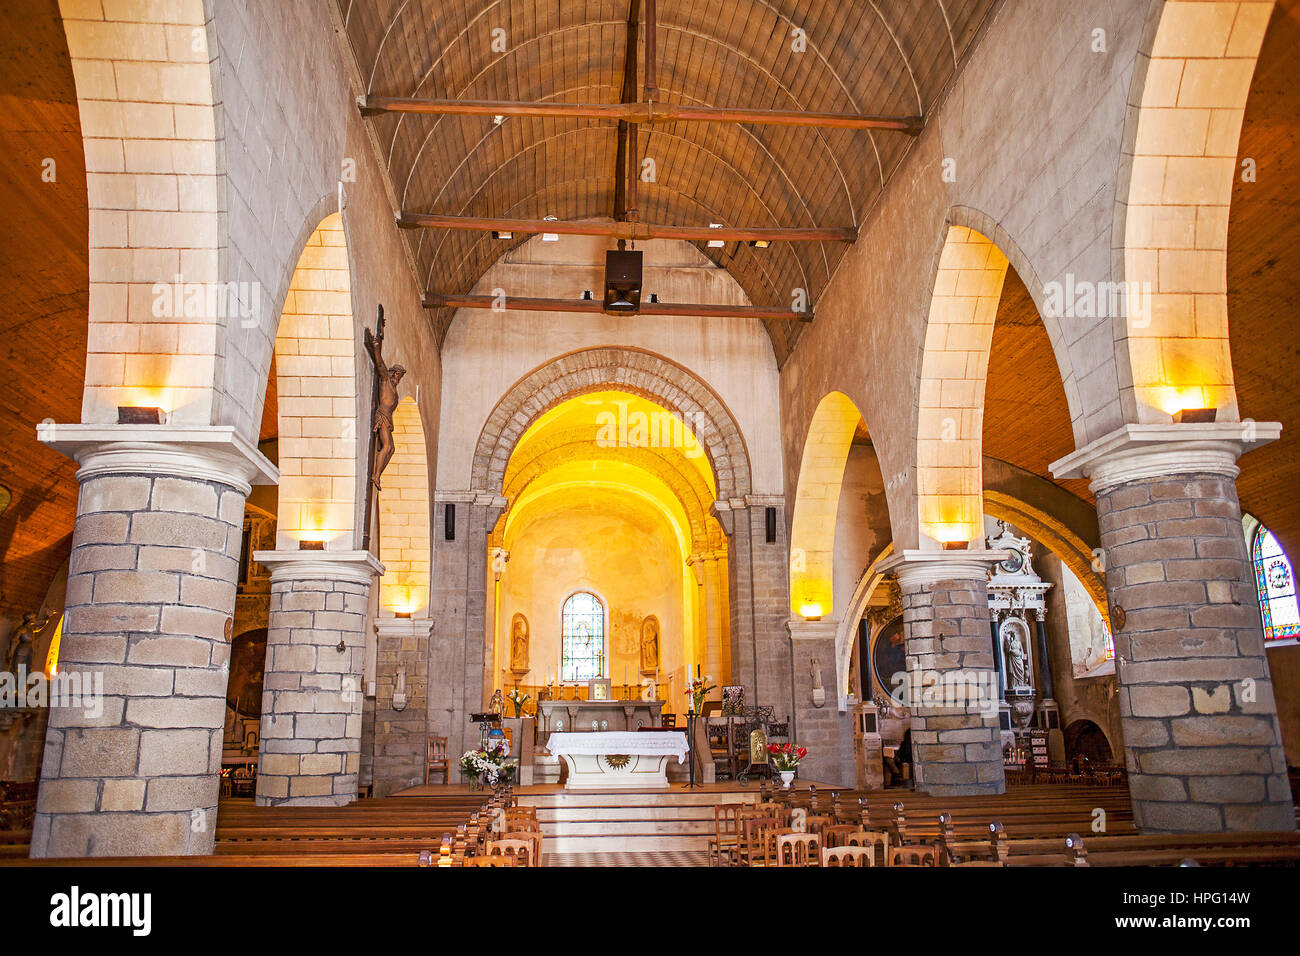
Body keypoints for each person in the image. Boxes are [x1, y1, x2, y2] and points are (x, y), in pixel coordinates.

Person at [364, 307, 407, 491]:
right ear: (394, 373)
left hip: (387, 417)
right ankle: (375, 475)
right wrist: (375, 348)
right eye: (398, 374)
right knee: (388, 445)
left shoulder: (394, 388)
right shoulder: (385, 381)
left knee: (392, 448)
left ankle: (378, 473)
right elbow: (380, 365)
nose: (399, 378)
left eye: (400, 376)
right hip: (382, 414)